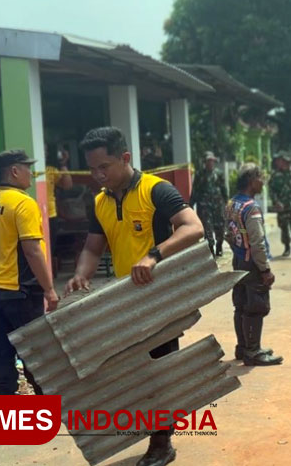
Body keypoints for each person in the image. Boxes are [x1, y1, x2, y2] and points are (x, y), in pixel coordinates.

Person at [64, 126, 204, 466]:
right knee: (132, 371)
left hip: (159, 299)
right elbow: (93, 247)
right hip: (123, 301)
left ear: (125, 158)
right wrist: (81, 273)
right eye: (93, 169)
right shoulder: (100, 201)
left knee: (157, 371)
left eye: (104, 167)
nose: (98, 176)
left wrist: (154, 255)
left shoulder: (156, 190)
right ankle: (153, 435)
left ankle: (162, 444)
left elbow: (193, 227)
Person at [0, 149, 59, 396]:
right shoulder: (23, 203)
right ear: (14, 171)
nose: (31, 174)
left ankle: (8, 415)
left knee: (0, 353)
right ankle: (45, 410)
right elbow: (33, 251)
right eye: (27, 168)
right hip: (19, 291)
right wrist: (49, 290)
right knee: (36, 354)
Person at [225, 163, 283, 366]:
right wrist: (265, 269)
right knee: (256, 306)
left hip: (239, 259)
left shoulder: (232, 204)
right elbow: (257, 242)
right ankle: (253, 351)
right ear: (252, 181)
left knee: (240, 305)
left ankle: (243, 347)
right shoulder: (252, 208)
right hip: (252, 263)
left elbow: (228, 235)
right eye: (260, 177)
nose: (263, 181)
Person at [190, 151, 228, 257]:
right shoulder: (199, 175)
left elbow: (223, 188)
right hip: (204, 206)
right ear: (204, 162)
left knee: (220, 227)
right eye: (208, 161)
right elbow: (195, 190)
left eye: (211, 161)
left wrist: (226, 202)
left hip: (218, 205)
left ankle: (219, 246)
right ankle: (210, 249)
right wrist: (191, 204)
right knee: (207, 228)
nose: (210, 163)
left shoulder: (218, 174)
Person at [45, 144, 73, 259]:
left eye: (45, 150)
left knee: (49, 250)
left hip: (50, 215)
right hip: (30, 215)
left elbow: (67, 185)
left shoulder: (51, 170)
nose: (44, 153)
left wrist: (63, 164)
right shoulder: (28, 171)